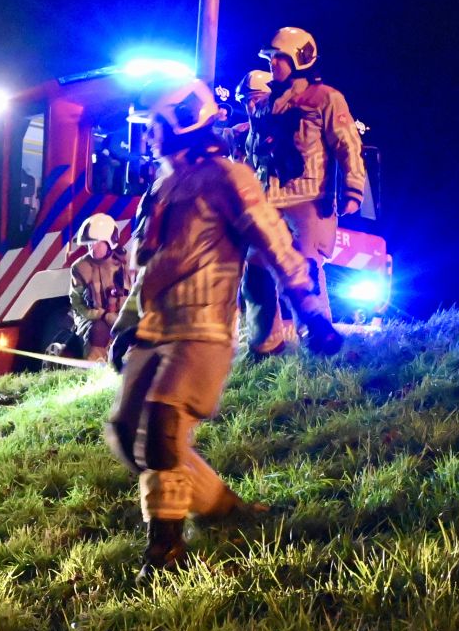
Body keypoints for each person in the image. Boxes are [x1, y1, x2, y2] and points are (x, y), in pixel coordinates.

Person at [107, 80, 342, 580]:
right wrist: (127, 324)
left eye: (154, 125)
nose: (148, 136)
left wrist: (313, 314)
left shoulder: (229, 178)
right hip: (155, 329)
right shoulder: (162, 185)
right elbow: (150, 265)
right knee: (128, 435)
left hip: (203, 329)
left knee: (163, 432)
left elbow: (277, 244)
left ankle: (165, 555)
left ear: (184, 121)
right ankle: (223, 508)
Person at [243, 27, 368, 357]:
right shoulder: (270, 105)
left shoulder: (326, 98)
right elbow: (260, 154)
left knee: (304, 271)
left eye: (280, 58)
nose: (273, 64)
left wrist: (353, 190)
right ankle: (265, 346)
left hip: (310, 200)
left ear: (300, 58)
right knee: (255, 272)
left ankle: (320, 342)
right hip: (271, 203)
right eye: (271, 58)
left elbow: (348, 146)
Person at [68, 212, 130, 362]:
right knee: (99, 331)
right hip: (93, 319)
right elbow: (77, 303)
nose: (91, 247)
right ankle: (96, 367)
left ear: (109, 242)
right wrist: (102, 315)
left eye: (96, 242)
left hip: (124, 316)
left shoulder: (125, 262)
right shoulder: (80, 267)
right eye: (89, 243)